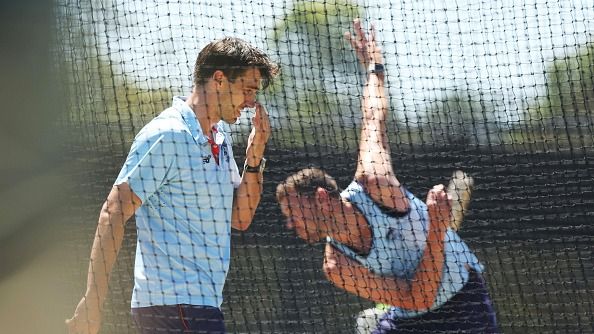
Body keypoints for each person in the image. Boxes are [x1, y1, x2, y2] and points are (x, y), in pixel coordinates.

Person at [276, 19, 499, 333]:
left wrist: (374, 67)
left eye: (292, 212)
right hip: (409, 318)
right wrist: (436, 230)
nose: (288, 223)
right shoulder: (336, 265)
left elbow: (373, 117)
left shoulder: (374, 183)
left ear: (322, 199)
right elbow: (417, 298)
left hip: (463, 307)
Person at [66, 37, 278, 334]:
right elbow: (112, 212)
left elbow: (240, 218)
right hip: (173, 306)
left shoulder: (220, 139)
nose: (251, 102)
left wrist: (255, 156)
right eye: (248, 90)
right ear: (219, 79)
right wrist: (93, 301)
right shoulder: (169, 134)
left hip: (199, 307)